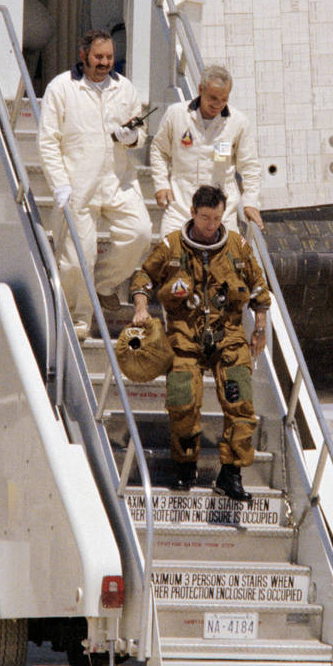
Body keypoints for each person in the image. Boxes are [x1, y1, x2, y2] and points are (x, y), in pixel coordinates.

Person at [129, 184, 270, 499]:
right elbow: (143, 278)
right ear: (192, 213)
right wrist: (141, 308)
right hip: (184, 336)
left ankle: (231, 475)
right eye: (205, 217)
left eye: (217, 218)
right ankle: (185, 466)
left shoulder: (237, 246)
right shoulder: (171, 246)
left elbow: (259, 289)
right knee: (183, 401)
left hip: (229, 336)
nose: (210, 225)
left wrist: (259, 329)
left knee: (240, 404)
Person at [38, 30, 152, 333]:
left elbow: (140, 133)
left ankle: (103, 283)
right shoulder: (61, 88)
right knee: (76, 260)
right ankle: (80, 318)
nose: (104, 63)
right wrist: (59, 183)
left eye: (109, 57)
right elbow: (48, 141)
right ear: (83, 55)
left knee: (140, 232)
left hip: (118, 181)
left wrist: (132, 138)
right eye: (99, 57)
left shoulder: (125, 88)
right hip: (77, 186)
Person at [149, 64, 263, 236]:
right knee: (170, 256)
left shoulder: (238, 123)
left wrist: (250, 202)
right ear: (201, 89)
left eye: (224, 99)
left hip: (221, 213)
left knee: (224, 261)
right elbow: (159, 150)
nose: (218, 105)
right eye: (213, 98)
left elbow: (250, 167)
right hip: (181, 206)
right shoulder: (177, 114)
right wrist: (161, 184)